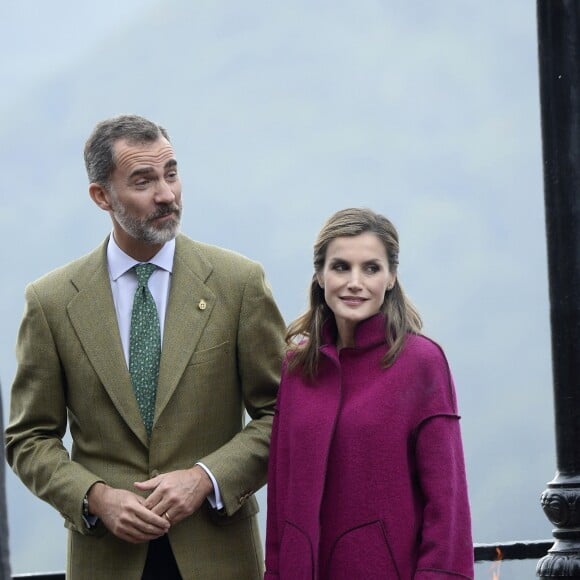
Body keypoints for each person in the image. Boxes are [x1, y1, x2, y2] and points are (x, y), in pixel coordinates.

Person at [5, 114, 286, 579]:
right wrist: (95, 495)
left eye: (171, 173)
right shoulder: (51, 302)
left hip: (217, 556)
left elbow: (282, 414)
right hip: (106, 558)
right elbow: (29, 438)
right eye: (143, 180)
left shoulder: (240, 284)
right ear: (102, 196)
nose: (166, 195)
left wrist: (205, 478)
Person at [265, 208, 473, 579]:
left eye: (371, 268)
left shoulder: (422, 363)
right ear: (319, 274)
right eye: (341, 267)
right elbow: (281, 500)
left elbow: (447, 505)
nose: (355, 282)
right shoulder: (297, 367)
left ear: (391, 277)